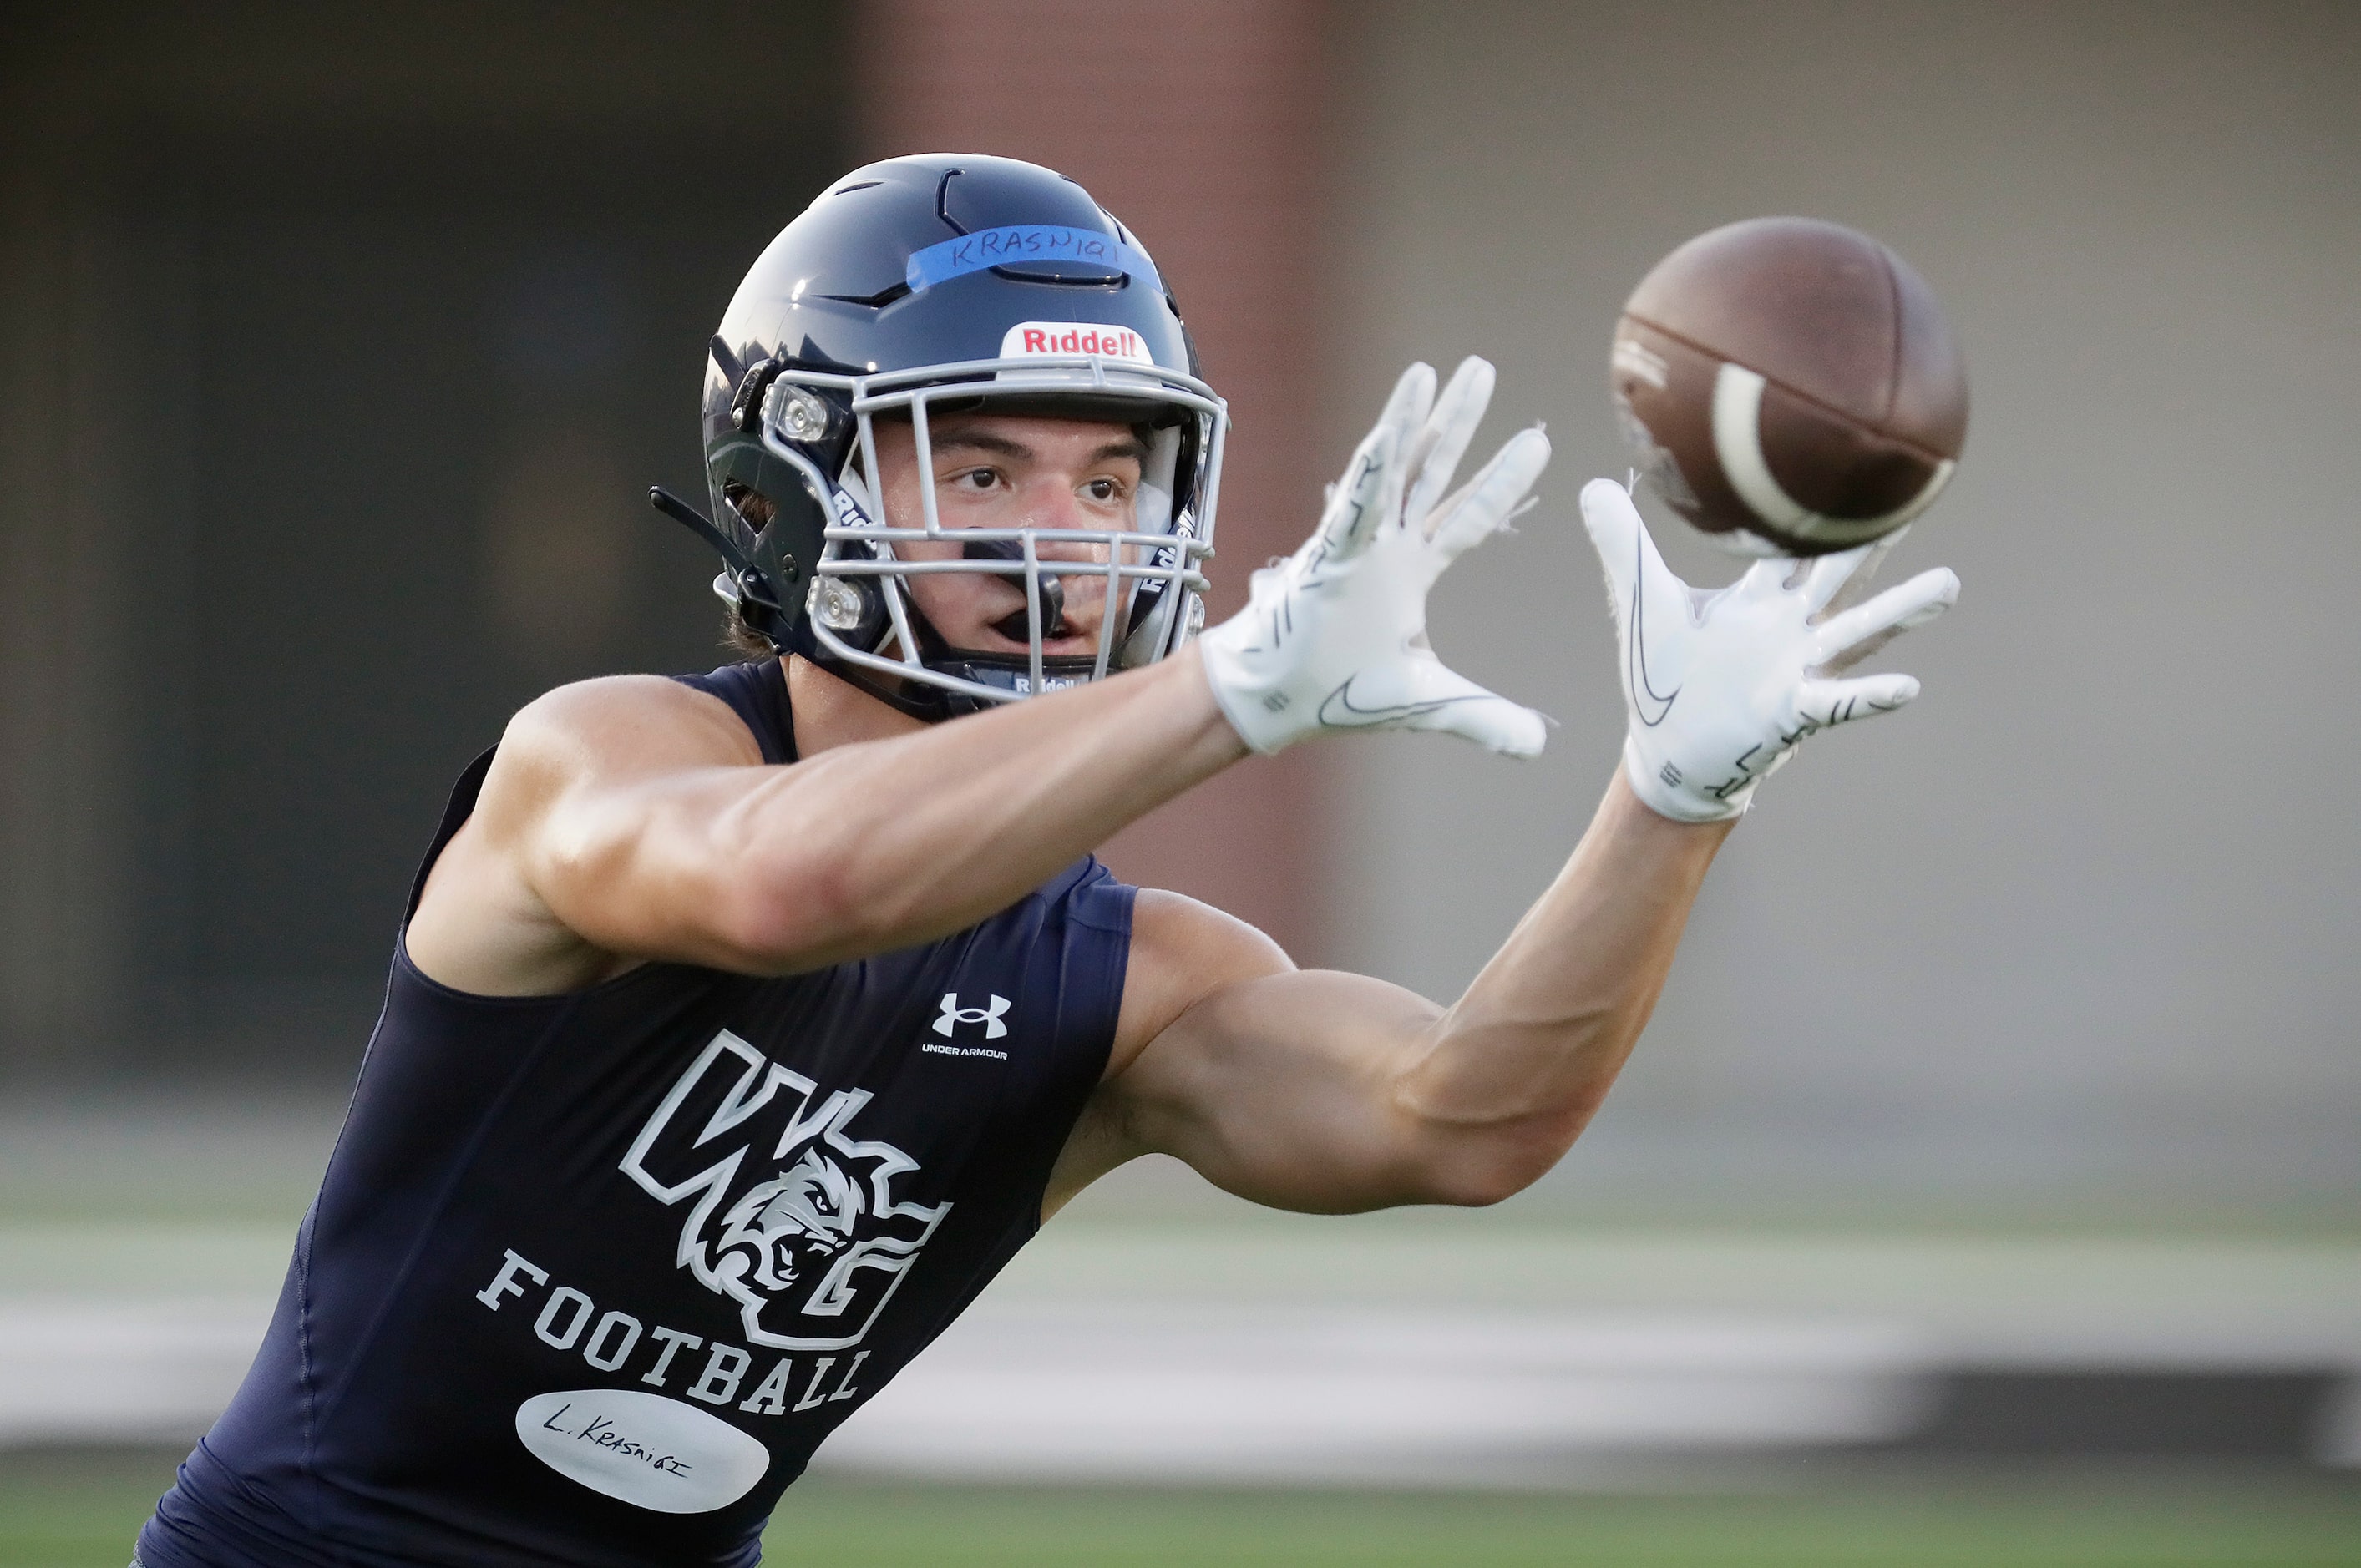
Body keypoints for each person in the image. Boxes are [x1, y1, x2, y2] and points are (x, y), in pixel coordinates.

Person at [135, 154, 1958, 1568]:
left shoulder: (1131, 980)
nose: (1060, 542)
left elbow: (1459, 1119)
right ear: (794, 484)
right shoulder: (607, 752)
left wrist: (1674, 795)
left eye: (1106, 484)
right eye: (981, 469)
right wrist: (1236, 691)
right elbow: (782, 889)